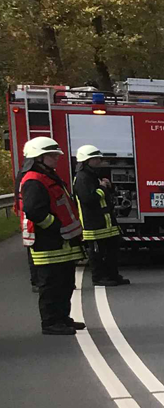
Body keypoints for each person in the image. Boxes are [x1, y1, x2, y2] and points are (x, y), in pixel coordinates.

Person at [19, 136, 86, 335]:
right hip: (47, 243)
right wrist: (56, 227)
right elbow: (34, 211)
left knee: (65, 283)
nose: (56, 159)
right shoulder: (33, 180)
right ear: (38, 158)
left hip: (61, 242)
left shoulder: (48, 177)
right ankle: (50, 323)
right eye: (52, 155)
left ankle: (62, 318)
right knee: (50, 286)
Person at [73, 145, 129, 287]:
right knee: (97, 254)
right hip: (93, 224)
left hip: (106, 223)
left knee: (112, 251)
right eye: (95, 158)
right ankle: (99, 278)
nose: (99, 160)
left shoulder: (92, 175)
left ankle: (113, 275)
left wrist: (107, 187)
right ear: (87, 160)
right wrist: (103, 188)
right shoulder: (82, 178)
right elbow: (88, 198)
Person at [14, 147, 40, 293]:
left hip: (28, 219)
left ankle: (37, 281)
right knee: (33, 251)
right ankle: (36, 281)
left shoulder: (24, 173)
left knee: (34, 251)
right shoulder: (29, 176)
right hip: (30, 220)